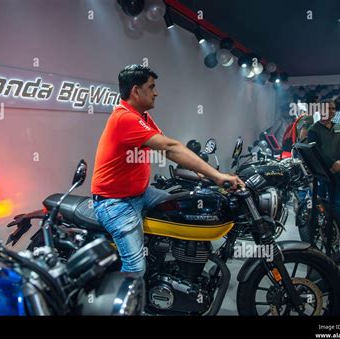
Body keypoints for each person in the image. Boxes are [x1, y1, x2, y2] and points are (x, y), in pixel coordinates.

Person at [91, 65, 244, 276]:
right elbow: (170, 148)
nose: (156, 92)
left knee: (184, 212)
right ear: (136, 91)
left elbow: (166, 145)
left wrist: (201, 172)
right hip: (116, 202)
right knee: (135, 268)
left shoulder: (141, 116)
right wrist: (217, 176)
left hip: (140, 193)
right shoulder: (125, 118)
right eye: (151, 87)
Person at [307, 101, 340, 219]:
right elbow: (316, 151)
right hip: (322, 172)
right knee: (319, 201)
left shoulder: (339, 128)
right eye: (328, 109)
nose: (331, 111)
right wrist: (332, 164)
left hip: (338, 170)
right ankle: (319, 227)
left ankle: (336, 229)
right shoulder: (313, 130)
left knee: (337, 201)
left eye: (333, 108)